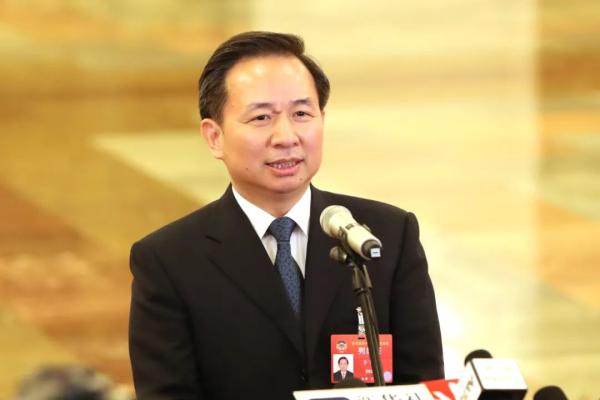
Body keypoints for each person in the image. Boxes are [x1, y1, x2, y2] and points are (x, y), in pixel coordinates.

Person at [129, 31, 444, 400]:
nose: (286, 136)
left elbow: (424, 383)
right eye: (261, 117)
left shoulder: (385, 236)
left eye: (301, 114)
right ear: (214, 136)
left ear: (322, 119)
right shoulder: (169, 260)